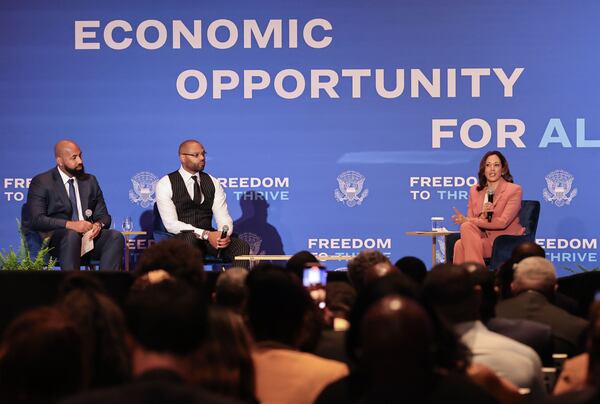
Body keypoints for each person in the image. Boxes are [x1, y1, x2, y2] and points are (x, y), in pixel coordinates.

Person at [23, 140, 124, 271]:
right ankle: (72, 288)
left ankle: (105, 288)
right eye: (74, 158)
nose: (80, 161)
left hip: (88, 239)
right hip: (57, 242)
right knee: (71, 235)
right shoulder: (42, 181)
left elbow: (104, 216)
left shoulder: (90, 181)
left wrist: (97, 225)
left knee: (115, 237)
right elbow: (36, 220)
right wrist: (71, 225)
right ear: (60, 161)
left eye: (80, 156)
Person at [155, 140, 249, 266]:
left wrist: (223, 234)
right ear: (182, 157)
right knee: (189, 238)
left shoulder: (213, 182)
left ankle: (234, 285)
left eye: (203, 154)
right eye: (196, 155)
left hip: (208, 240)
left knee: (241, 246)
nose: (202, 158)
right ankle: (189, 285)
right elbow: (171, 224)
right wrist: (205, 234)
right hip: (179, 240)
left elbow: (223, 217)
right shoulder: (165, 183)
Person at [451, 150, 524, 265]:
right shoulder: (475, 190)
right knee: (462, 238)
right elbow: (471, 221)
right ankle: (470, 277)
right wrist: (483, 214)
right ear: (483, 169)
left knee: (461, 242)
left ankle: (475, 275)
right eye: (488, 165)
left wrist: (469, 220)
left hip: (503, 241)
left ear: (503, 169)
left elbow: (502, 223)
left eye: (496, 165)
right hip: (481, 239)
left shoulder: (514, 190)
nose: (492, 169)